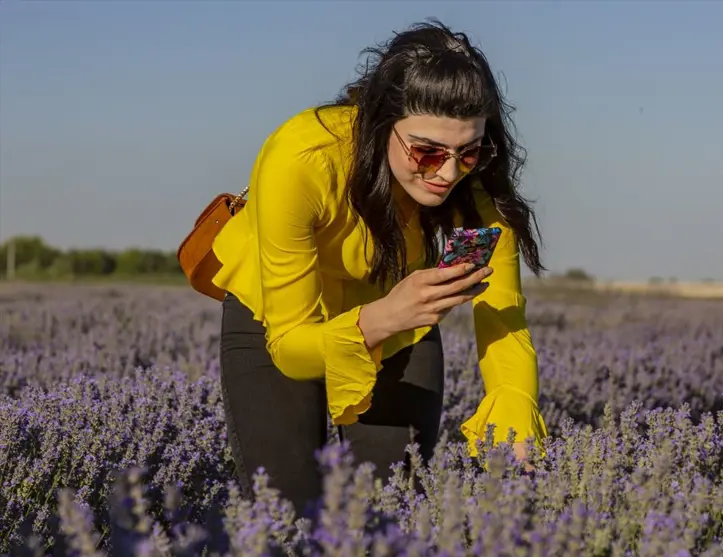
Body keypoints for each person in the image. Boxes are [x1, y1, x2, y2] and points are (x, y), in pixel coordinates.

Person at [212, 19, 548, 516]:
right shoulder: (302, 159)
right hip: (278, 323)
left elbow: (501, 309)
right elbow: (289, 347)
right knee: (284, 517)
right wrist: (383, 316)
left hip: (401, 326)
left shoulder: (478, 184)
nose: (448, 173)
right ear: (380, 120)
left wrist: (514, 401)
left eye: (468, 151)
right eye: (427, 151)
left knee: (392, 514)